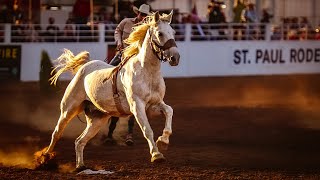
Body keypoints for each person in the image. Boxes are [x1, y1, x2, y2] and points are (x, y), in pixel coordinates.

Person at [105, 4, 152, 146]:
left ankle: (129, 134)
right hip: (122, 54)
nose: (143, 17)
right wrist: (119, 43)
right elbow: (117, 31)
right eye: (142, 14)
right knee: (108, 71)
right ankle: (103, 90)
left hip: (136, 58)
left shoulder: (147, 28)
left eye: (145, 15)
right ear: (138, 13)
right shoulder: (126, 22)